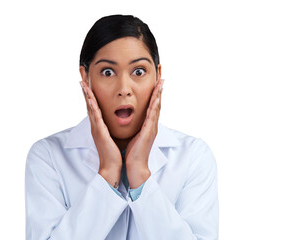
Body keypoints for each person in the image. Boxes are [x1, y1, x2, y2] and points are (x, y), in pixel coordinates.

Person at [25, 14, 218, 240]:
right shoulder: (48, 157)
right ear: (85, 77)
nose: (124, 89)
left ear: (158, 76)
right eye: (108, 72)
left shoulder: (194, 156)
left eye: (138, 71)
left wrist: (140, 174)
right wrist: (107, 173)